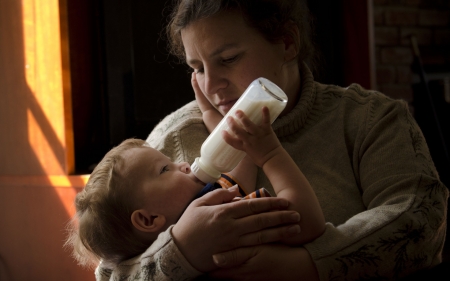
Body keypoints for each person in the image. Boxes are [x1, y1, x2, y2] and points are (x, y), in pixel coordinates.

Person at [94, 0, 449, 280]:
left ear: (287, 42)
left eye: (228, 59)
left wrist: (303, 266)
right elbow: (110, 272)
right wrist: (182, 250)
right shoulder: (173, 137)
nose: (212, 85)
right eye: (198, 68)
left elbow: (420, 223)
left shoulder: (370, 120)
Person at [66, 106, 326, 277]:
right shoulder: (217, 226)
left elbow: (239, 165)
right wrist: (271, 154)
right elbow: (306, 221)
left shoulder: (204, 202)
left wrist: (217, 117)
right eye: (164, 170)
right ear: (148, 219)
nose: (182, 163)